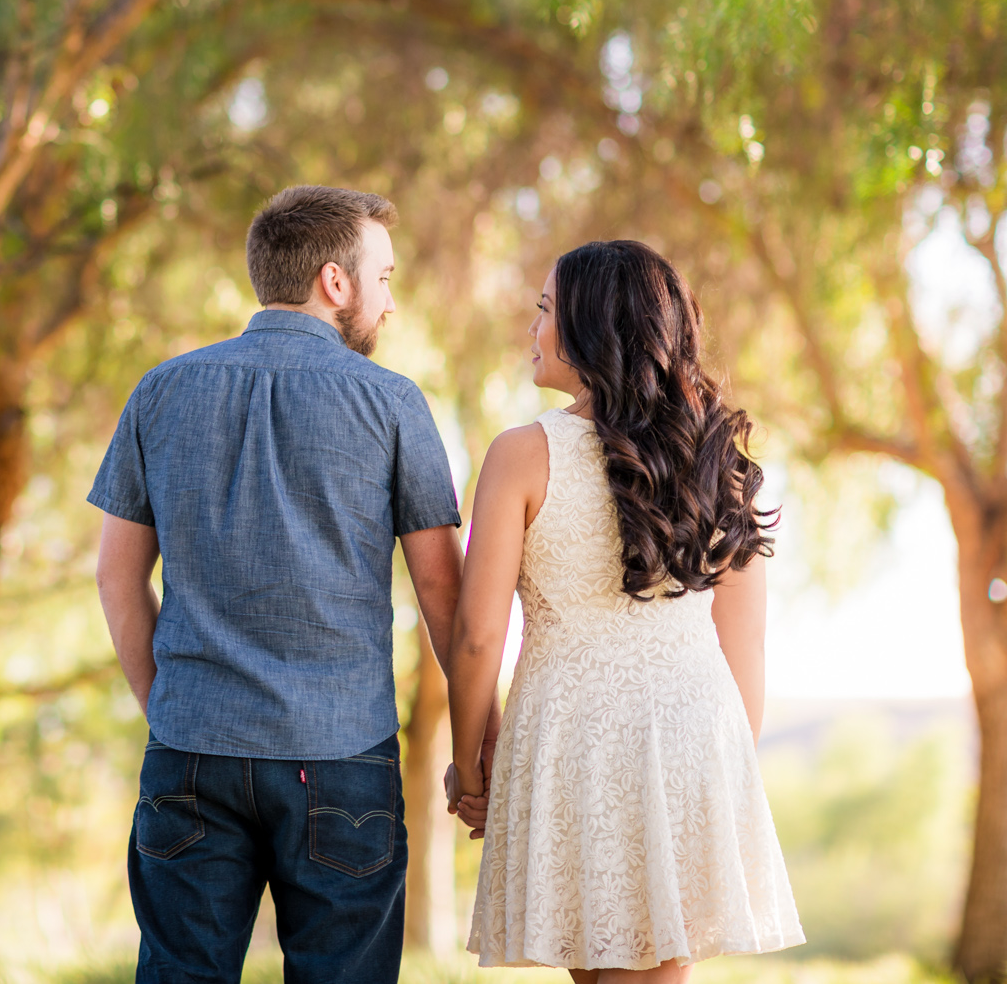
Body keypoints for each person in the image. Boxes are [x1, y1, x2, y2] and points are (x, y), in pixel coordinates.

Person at [91, 185, 466, 984]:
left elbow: (117, 576)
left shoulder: (160, 390)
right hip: (342, 759)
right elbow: (444, 596)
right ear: (337, 282)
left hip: (192, 749)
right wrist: (480, 737)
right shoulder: (394, 403)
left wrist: (170, 703)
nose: (389, 303)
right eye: (385, 278)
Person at [447, 240, 804, 980]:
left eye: (546, 310)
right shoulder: (720, 460)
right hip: (686, 739)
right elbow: (748, 650)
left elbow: (478, 635)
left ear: (590, 328)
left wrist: (471, 773)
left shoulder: (521, 453)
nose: (533, 327)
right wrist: (721, 782)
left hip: (566, 741)